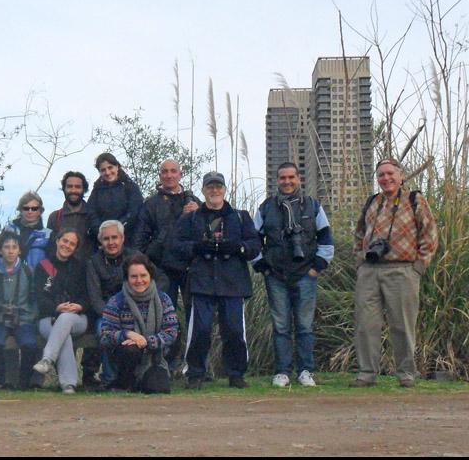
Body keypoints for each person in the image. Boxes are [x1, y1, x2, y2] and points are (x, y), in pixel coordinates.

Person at [352, 157, 438, 388]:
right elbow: (359, 233)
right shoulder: (372, 202)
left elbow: (429, 233)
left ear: (401, 175)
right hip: (370, 271)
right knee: (366, 324)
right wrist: (360, 261)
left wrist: (419, 266)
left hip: (402, 270)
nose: (386, 178)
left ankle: (406, 374)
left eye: (390, 173)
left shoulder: (414, 199)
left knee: (402, 325)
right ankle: (366, 373)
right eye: (381, 174)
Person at [170, 171, 261, 388]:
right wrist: (197, 247)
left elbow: (255, 245)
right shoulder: (191, 218)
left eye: (218, 186)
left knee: (234, 331)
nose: (214, 190)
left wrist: (238, 247)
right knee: (199, 330)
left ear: (224, 190)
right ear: (203, 190)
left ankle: (236, 374)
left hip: (233, 283)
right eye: (210, 187)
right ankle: (195, 374)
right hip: (202, 282)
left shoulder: (240, 217)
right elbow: (175, 246)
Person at [252, 162, 334, 388]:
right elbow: (253, 239)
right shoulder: (266, 207)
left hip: (305, 275)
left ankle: (306, 370)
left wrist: (317, 267)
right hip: (276, 275)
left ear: (299, 178)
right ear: (277, 180)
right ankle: (282, 371)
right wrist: (262, 267)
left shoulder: (313, 206)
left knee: (305, 326)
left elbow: (326, 238)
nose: (287, 182)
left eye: (291, 177)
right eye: (282, 178)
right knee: (281, 327)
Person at [133, 158, 202, 369]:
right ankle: (165, 364)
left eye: (173, 171)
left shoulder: (194, 201)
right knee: (164, 317)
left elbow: (205, 234)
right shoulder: (151, 204)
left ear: (180, 174)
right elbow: (140, 240)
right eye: (165, 171)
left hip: (191, 267)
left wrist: (198, 214)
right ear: (160, 175)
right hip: (162, 268)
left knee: (196, 316)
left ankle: (196, 366)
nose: (169, 175)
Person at [86, 220, 169, 389]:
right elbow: (95, 299)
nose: (111, 242)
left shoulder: (135, 257)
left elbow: (162, 279)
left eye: (114, 237)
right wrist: (112, 315)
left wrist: (149, 297)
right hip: (107, 313)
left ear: (122, 238)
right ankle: (110, 378)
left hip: (139, 311)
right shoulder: (93, 263)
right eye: (106, 239)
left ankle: (141, 375)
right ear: (100, 241)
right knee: (102, 329)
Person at [99, 253, 179, 394]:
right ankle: (123, 383)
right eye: (134, 276)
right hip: (125, 355)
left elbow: (171, 332)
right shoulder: (116, 301)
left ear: (150, 276)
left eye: (143, 275)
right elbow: (106, 335)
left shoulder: (163, 299)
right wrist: (128, 334)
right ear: (127, 278)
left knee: (159, 389)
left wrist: (146, 341)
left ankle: (141, 381)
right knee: (131, 350)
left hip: (154, 356)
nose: (139, 280)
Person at [0, 233, 39, 390]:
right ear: (0, 250)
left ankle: (24, 381)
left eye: (14, 247)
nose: (10, 251)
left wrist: (31, 316)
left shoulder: (28, 272)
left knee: (30, 344)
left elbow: (35, 299)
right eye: (6, 247)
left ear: (19, 251)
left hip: (23, 319)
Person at [31, 228, 89, 393]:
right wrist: (56, 307)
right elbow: (39, 297)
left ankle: (47, 359)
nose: (67, 245)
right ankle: (68, 384)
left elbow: (88, 295)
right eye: (65, 241)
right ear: (57, 241)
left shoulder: (81, 267)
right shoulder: (44, 266)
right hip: (48, 318)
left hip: (77, 318)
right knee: (64, 336)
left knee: (65, 319)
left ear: (75, 248)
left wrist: (79, 306)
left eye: (72, 244)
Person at [86, 152, 143, 246]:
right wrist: (101, 230)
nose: (107, 172)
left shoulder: (130, 187)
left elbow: (134, 212)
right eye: (103, 170)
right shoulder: (96, 190)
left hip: (128, 241)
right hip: (103, 242)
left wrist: (116, 229)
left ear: (117, 166)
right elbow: (91, 213)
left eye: (110, 167)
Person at [0, 191, 51, 270]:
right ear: (20, 210)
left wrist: (42, 275)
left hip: (36, 277)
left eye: (34, 209)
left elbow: (52, 264)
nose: (30, 211)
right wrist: (4, 271)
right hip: (9, 276)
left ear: (40, 211)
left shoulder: (48, 235)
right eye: (26, 208)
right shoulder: (9, 230)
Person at [47, 171, 93, 259]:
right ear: (64, 189)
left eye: (77, 187)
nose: (73, 190)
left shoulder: (93, 216)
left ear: (84, 189)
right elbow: (49, 248)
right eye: (69, 186)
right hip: (60, 266)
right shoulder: (54, 217)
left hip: (88, 267)